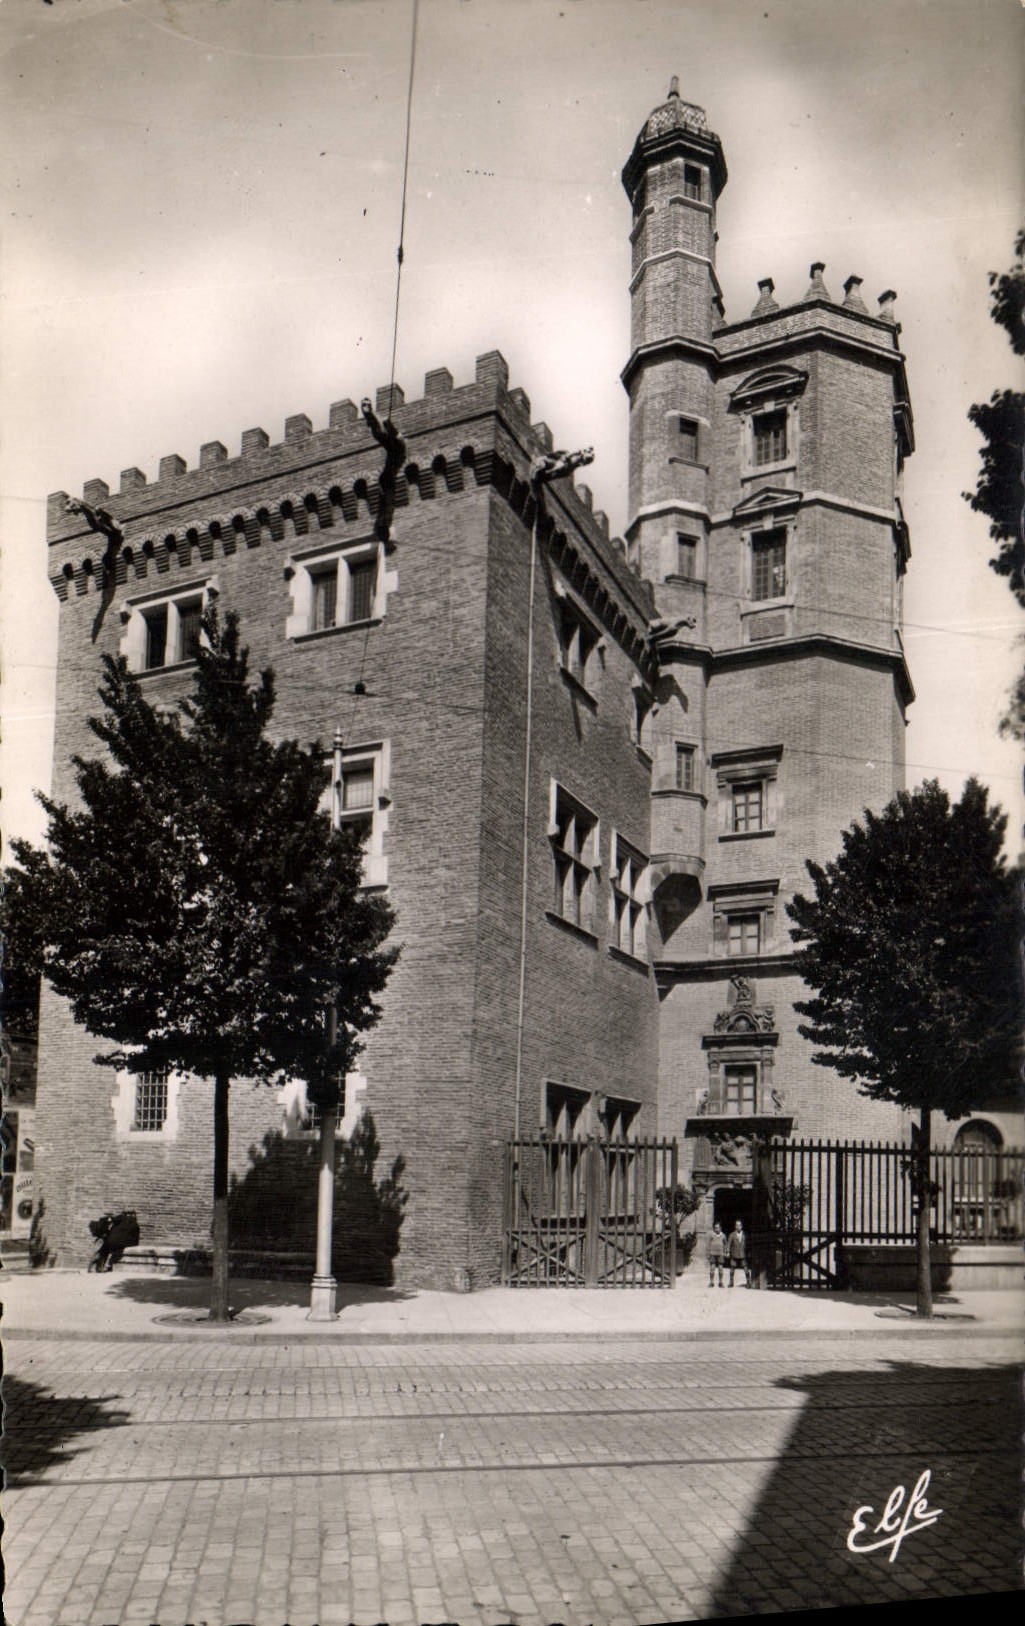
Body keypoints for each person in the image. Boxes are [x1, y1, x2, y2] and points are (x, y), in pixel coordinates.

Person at [727, 1218, 750, 1287]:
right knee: (732, 1269)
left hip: (743, 1254)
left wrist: (748, 1252)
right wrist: (728, 1252)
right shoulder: (732, 1235)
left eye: (739, 1225)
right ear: (735, 1226)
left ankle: (748, 1282)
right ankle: (731, 1282)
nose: (738, 1227)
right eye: (737, 1225)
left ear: (742, 1226)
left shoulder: (745, 1235)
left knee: (746, 1268)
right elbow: (728, 1244)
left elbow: (748, 1244)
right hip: (734, 1254)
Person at [706, 1220, 726, 1288]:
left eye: (718, 1228)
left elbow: (725, 1244)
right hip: (712, 1253)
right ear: (713, 1228)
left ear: (720, 1228)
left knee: (720, 1268)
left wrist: (725, 1252)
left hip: (720, 1253)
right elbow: (708, 1244)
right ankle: (711, 1282)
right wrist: (708, 1253)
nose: (717, 1229)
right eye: (715, 1228)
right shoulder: (711, 1235)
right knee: (712, 1268)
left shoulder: (723, 1235)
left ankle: (720, 1282)